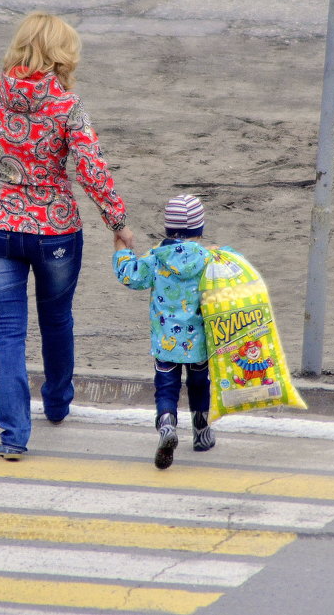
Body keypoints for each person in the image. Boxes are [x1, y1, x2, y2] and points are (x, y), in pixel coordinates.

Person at [0, 12, 135, 460]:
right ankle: (57, 403)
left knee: (11, 332)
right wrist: (118, 224)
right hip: (55, 229)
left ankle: (13, 436)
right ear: (61, 54)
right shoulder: (66, 106)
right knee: (57, 319)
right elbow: (92, 169)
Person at [113, 194, 216, 469]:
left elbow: (130, 276)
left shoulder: (156, 257)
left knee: (166, 387)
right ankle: (202, 431)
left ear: (168, 228)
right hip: (199, 342)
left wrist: (121, 249)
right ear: (199, 229)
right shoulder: (208, 259)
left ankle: (167, 424)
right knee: (199, 384)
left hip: (166, 341)